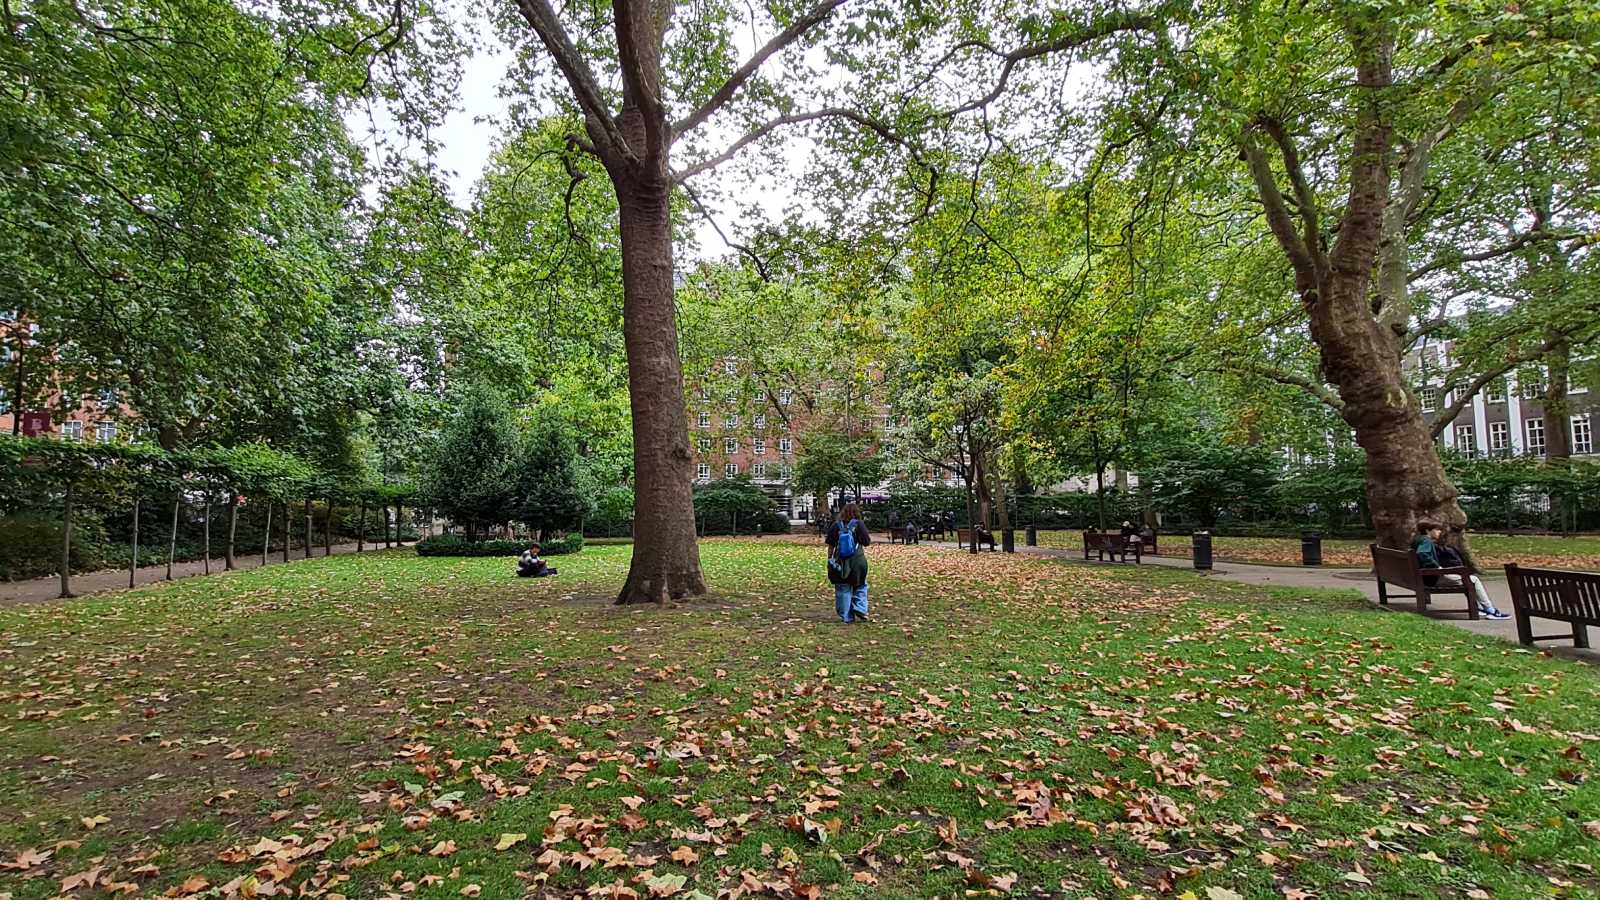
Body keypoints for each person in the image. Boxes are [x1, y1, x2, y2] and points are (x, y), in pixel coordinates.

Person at [1415, 524, 1507, 619]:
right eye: (1437, 530)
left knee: (1465, 579)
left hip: (1424, 578)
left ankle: (1478, 607)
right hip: (1432, 579)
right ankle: (1490, 610)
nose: (1439, 532)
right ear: (1427, 531)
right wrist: (1437, 567)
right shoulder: (1426, 541)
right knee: (1473, 579)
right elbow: (1422, 553)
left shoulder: (1417, 540)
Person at [827, 501, 872, 623]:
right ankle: (861, 608)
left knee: (842, 588)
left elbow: (830, 544)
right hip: (858, 560)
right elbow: (866, 542)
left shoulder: (836, 525)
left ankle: (846, 616)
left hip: (841, 561)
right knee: (861, 585)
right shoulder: (859, 525)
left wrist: (830, 560)